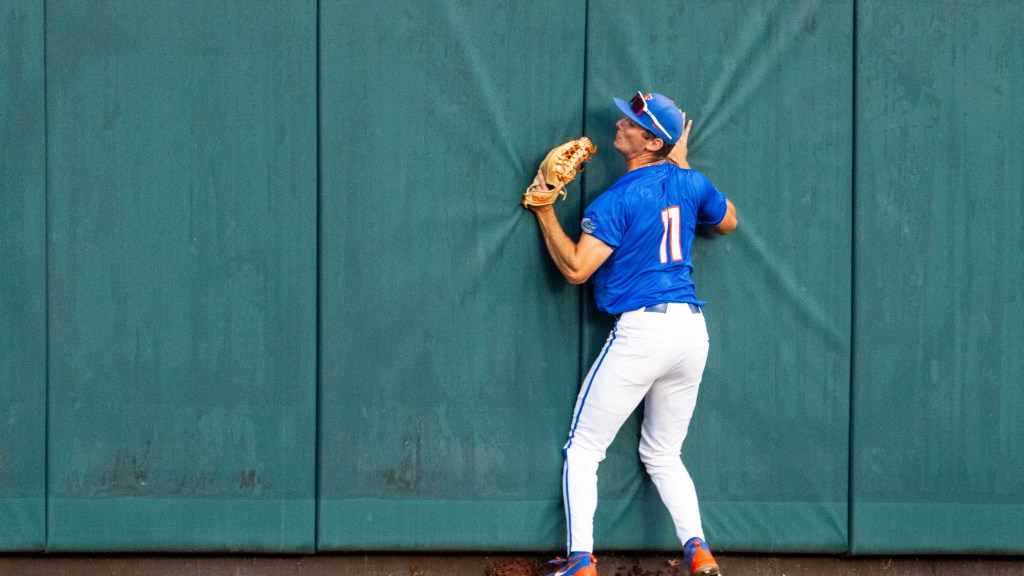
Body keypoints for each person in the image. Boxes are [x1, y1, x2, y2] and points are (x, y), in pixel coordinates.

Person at [524, 91, 737, 576]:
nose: (620, 124)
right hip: (691, 334)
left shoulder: (617, 199)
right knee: (663, 453)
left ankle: (581, 560)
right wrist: (679, 169)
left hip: (644, 332)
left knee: (583, 449)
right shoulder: (690, 182)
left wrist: (543, 209)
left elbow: (577, 268)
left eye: (633, 123)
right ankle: (699, 550)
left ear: (652, 142)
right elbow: (727, 222)